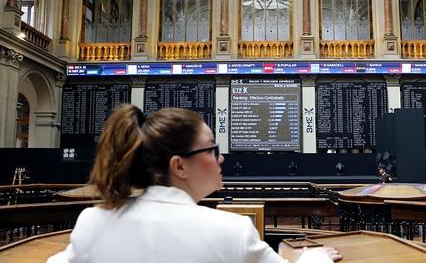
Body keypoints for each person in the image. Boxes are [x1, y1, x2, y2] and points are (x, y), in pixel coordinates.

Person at [47, 104, 342, 263]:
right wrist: (314, 256)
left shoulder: (92, 222)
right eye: (212, 148)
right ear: (179, 166)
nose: (221, 158)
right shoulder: (232, 232)